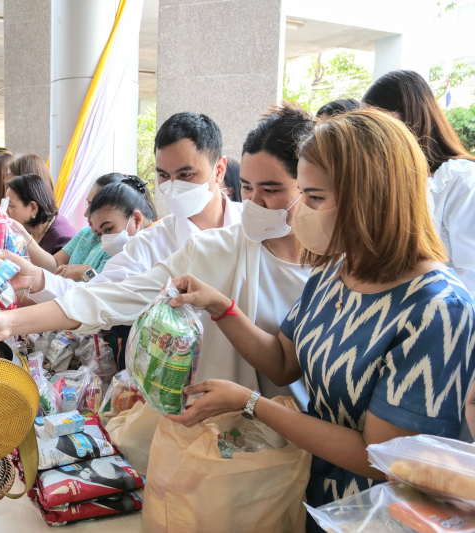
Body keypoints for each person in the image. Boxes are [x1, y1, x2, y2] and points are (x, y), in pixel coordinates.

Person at [164, 110, 474, 532]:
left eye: (313, 198)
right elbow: (283, 360)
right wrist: (221, 307)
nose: (300, 213)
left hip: (375, 516)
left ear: (370, 197)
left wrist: (251, 403)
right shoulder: (336, 271)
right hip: (317, 499)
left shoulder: (437, 309)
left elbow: (382, 458)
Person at [0, 103, 315, 400]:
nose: (256, 202)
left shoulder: (340, 262)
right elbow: (104, 298)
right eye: (248, 189)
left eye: (270, 189)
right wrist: (12, 318)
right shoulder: (203, 249)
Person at [17, 112, 242, 304]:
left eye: (185, 175)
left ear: (219, 170)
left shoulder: (250, 232)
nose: (173, 186)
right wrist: (36, 282)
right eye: (164, 175)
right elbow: (95, 297)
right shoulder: (151, 242)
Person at [361, 69, 475, 296]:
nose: (370, 137)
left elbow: (469, 275)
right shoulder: (385, 179)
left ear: (412, 120)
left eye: (379, 125)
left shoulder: (462, 179)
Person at [6, 173, 77, 255]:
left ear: (33, 208)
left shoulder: (61, 240)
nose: (6, 212)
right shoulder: (30, 227)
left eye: (10, 206)